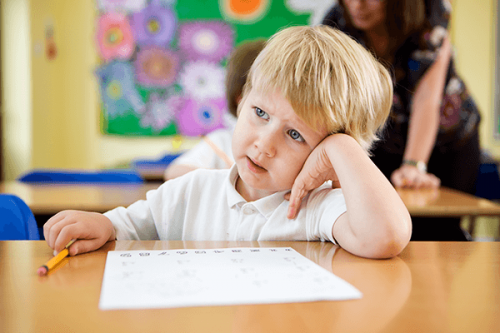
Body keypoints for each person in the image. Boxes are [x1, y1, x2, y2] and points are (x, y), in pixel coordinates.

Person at [43, 26, 412, 259]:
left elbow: (387, 237)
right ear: (242, 100)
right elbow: (127, 226)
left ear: (323, 155)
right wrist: (103, 225)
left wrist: (343, 148)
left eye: (295, 134)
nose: (264, 144)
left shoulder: (317, 208)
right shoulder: (190, 191)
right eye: (260, 113)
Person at [322, 0, 481, 240]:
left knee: (435, 232)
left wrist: (413, 166)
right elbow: (337, 101)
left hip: (447, 141)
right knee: (380, 224)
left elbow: (427, 99)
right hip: (384, 137)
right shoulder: (336, 23)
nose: (358, 5)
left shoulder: (430, 12)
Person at [164, 39, 266, 180]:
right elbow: (173, 172)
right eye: (261, 111)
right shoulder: (223, 140)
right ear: (240, 99)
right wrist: (221, 176)